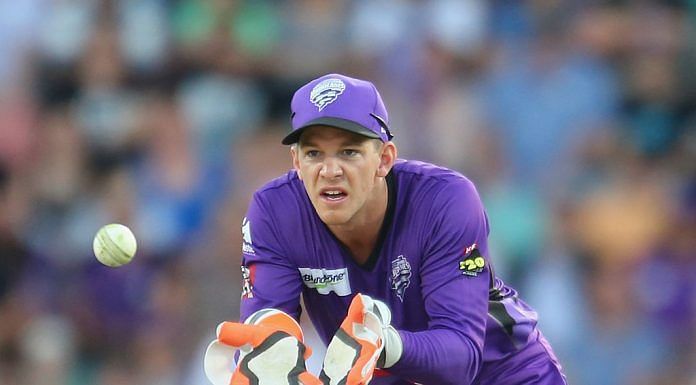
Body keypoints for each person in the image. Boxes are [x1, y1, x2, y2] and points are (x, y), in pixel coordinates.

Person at [203, 74, 568, 385]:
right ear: (296, 161)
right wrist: (270, 348)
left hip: (503, 372)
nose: (329, 170)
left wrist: (384, 344)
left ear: (385, 159)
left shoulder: (445, 200)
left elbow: (463, 357)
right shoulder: (274, 212)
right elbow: (269, 322)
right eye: (314, 153)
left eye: (348, 152)